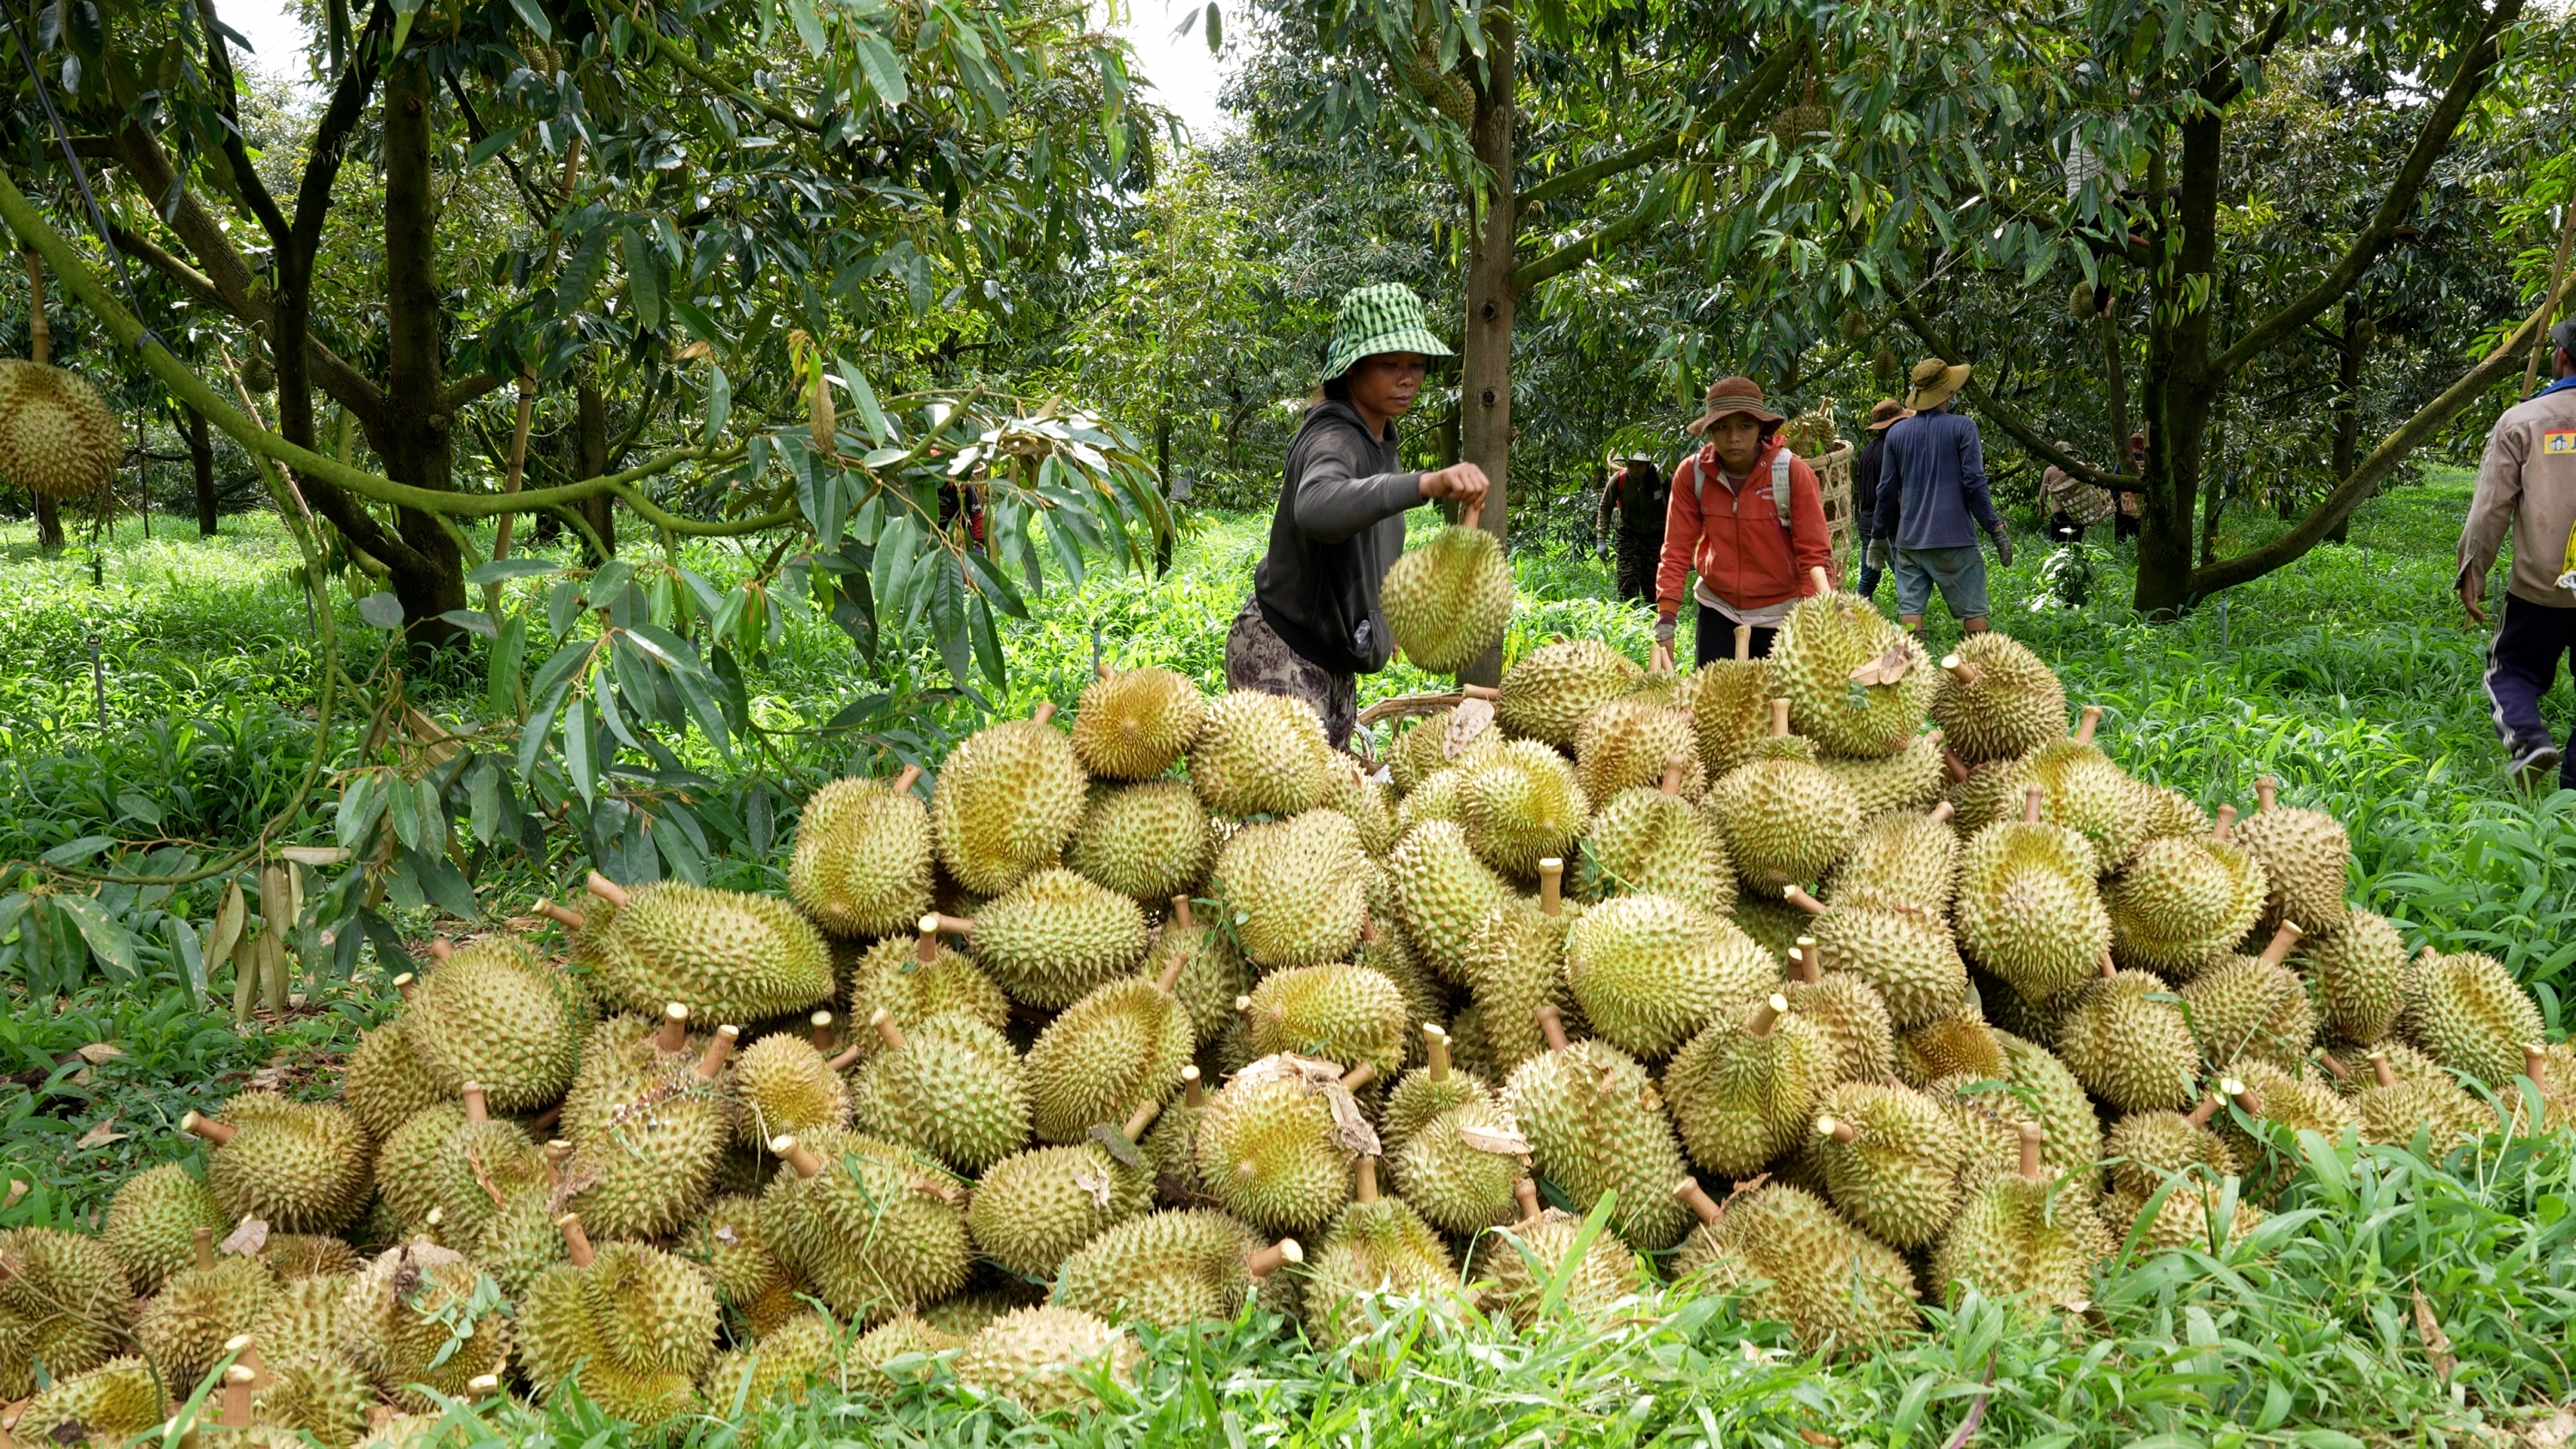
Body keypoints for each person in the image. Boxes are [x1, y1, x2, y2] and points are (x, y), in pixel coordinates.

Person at [1229, 282, 1491, 750]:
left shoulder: (1377, 441)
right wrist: (1425, 484)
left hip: (1332, 662)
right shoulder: (1335, 438)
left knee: (1329, 812)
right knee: (1286, 820)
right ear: (1351, 370)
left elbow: (1366, 544)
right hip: (1283, 657)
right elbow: (1317, 506)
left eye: (1416, 365)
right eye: (1390, 365)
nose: (1407, 378)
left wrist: (1384, 621)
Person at [2457, 317, 2576, 790]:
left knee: (2511, 670)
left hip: (2540, 588)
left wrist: (2472, 570)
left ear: (2561, 357)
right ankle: (2571, 797)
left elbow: (2490, 508)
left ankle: (2528, 740)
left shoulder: (2523, 421)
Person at [1654, 375, 1835, 664]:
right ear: (1709, 430)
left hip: (1782, 611)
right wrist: (1666, 615)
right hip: (1718, 607)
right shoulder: (1693, 474)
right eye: (1722, 427)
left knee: (1776, 705)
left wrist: (1813, 616)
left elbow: (1814, 554)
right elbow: (1676, 547)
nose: (1733, 437)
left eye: (1745, 426)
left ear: (1761, 428)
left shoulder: (1791, 473)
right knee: (1714, 703)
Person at [1872, 357, 2010, 636]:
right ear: (1949, 392)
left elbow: (1886, 489)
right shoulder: (1962, 427)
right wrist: (1994, 527)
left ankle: (1909, 670)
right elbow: (1974, 483)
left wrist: (1878, 535)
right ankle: (1980, 666)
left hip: (1910, 541)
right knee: (1974, 611)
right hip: (1955, 540)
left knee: (1910, 613)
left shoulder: (1896, 433)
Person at [1851, 399, 1911, 597]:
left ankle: (1856, 618)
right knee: (1905, 578)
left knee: (1868, 579)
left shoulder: (1868, 449)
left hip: (1867, 522)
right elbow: (1893, 490)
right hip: (1887, 523)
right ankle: (1911, 622)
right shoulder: (1892, 450)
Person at [1595, 452, 1668, 604]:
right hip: (1628, 533)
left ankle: (1653, 616)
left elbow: (1679, 505)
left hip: (1656, 535)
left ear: (1648, 465)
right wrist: (1601, 539)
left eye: (1640, 464)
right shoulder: (1619, 479)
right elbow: (1605, 506)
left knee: (1653, 580)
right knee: (1627, 577)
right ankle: (1629, 614)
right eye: (1631, 464)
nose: (1635, 469)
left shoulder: (1662, 479)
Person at [2039, 440, 2115, 543]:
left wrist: (2042, 511)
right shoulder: (2080, 466)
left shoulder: (2050, 471)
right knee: (2076, 543)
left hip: (2059, 512)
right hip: (2077, 511)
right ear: (2070, 454)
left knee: (2057, 544)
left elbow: (2042, 495)